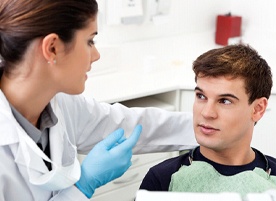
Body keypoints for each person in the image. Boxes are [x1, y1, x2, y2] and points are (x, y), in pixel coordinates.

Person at [0, 0, 197, 200]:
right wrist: (83, 186)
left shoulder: (61, 104)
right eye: (90, 41)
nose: (96, 55)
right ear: (52, 48)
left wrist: (206, 127)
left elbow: (129, 124)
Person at [139, 44, 276, 197]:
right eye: (201, 96)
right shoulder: (160, 181)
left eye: (225, 101)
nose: (207, 113)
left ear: (258, 109)